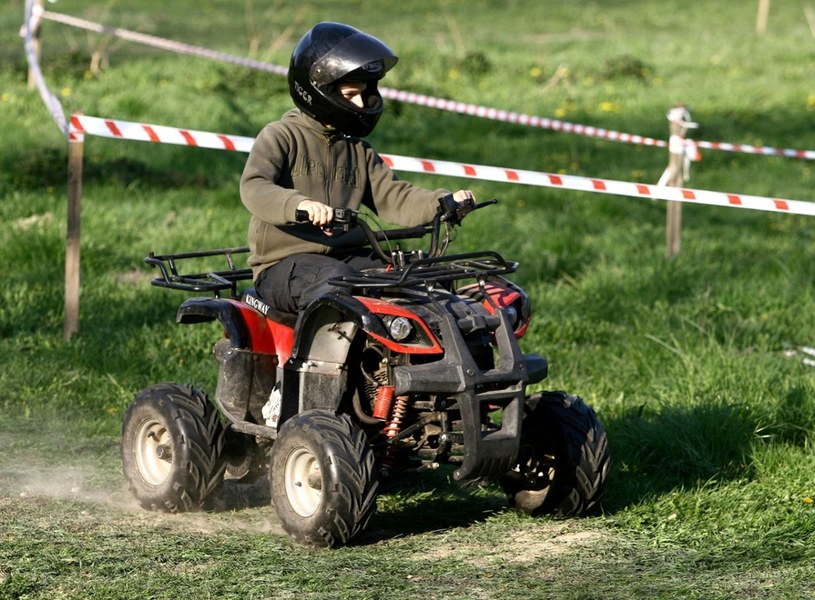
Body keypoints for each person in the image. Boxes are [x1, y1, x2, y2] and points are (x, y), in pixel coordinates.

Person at [240, 21, 475, 314]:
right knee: (334, 285)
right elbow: (254, 187)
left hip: (345, 258)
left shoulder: (358, 151)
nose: (362, 102)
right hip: (283, 265)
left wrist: (441, 203)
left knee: (413, 276)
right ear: (318, 90)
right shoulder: (281, 136)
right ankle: (306, 360)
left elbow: (394, 196)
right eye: (351, 95)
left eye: (365, 93)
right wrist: (299, 205)